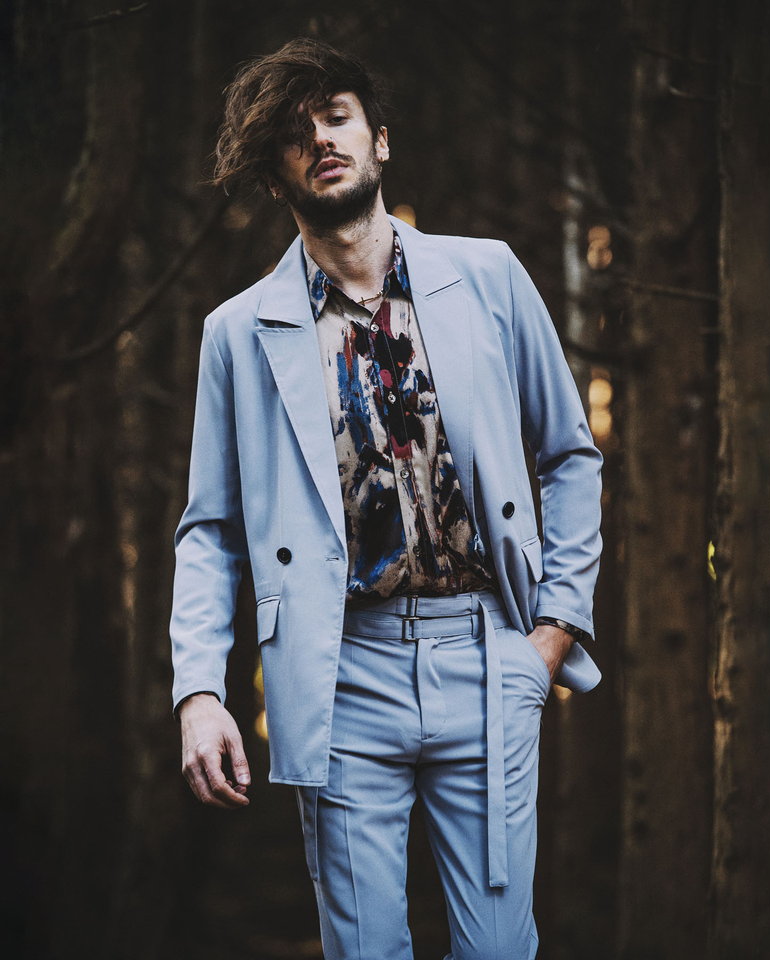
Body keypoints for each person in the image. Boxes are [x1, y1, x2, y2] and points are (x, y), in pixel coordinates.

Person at [170, 37, 603, 960]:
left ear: (380, 140)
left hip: (487, 656)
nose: (321, 140)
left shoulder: (487, 277)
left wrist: (553, 633)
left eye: (336, 117)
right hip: (339, 671)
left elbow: (569, 454)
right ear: (274, 175)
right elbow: (209, 530)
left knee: (499, 949)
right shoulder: (237, 334)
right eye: (294, 135)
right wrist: (200, 689)